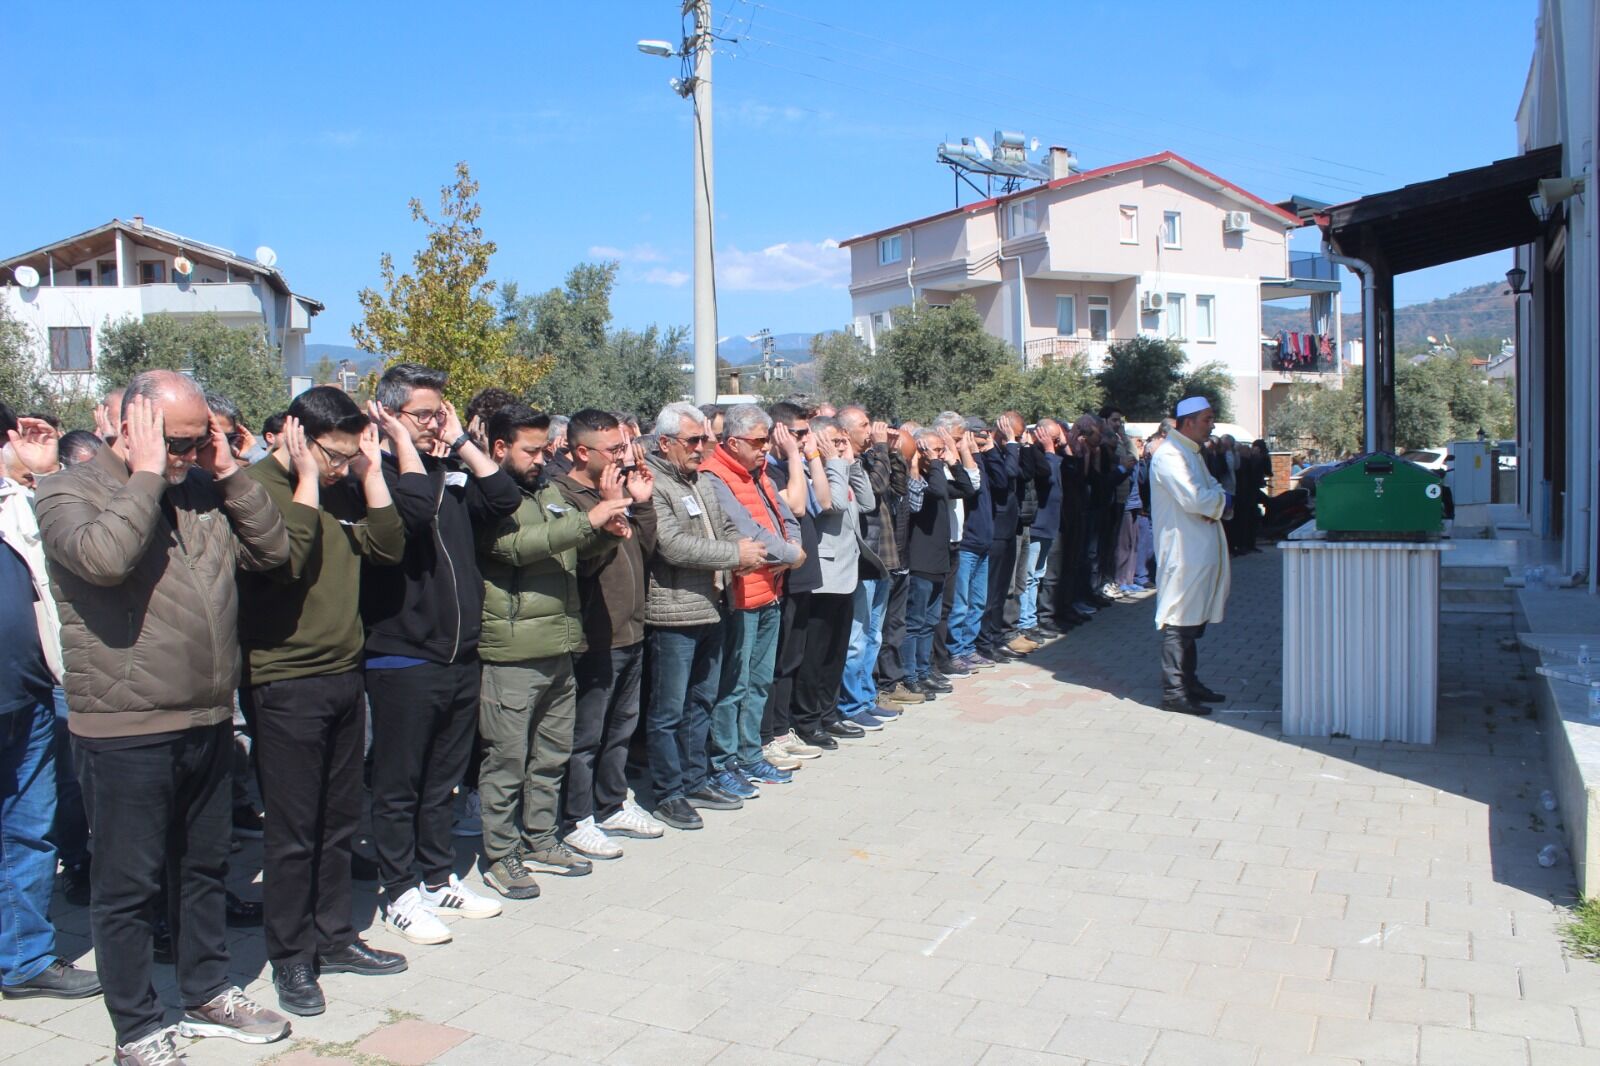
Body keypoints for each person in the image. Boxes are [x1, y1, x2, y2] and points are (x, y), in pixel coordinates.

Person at [36, 371, 291, 1065]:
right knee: (128, 887)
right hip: (125, 725)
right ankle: (138, 1026)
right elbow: (105, 559)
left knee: (204, 867)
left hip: (207, 714)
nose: (190, 452)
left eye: (201, 436)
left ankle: (207, 991)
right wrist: (147, 474)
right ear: (132, 425)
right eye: (179, 440)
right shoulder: (65, 491)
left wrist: (231, 470)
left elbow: (275, 552)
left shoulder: (204, 488)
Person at [236, 387, 410, 1017]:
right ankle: (291, 958)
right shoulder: (255, 489)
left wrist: (367, 473)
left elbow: (389, 547)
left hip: (343, 674)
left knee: (339, 820)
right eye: (331, 455)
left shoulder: (341, 483)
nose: (338, 468)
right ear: (293, 433)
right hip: (285, 680)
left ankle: (334, 937)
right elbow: (287, 560)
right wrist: (310, 477)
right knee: (291, 833)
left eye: (345, 456)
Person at [360, 363, 521, 946]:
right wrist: (403, 447)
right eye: (422, 414)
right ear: (387, 415)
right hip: (402, 654)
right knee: (399, 783)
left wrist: (460, 443)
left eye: (438, 412)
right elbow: (412, 515)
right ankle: (398, 890)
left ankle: (435, 876)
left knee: (443, 780)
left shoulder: (448, 469)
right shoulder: (374, 473)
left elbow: (503, 497)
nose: (433, 423)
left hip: (459, 654)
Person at [474, 404, 633, 898]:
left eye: (547, 448)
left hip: (561, 643)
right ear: (500, 448)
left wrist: (604, 537)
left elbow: (567, 549)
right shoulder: (487, 499)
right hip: (513, 652)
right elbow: (514, 549)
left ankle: (540, 837)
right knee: (506, 761)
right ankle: (501, 856)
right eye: (532, 449)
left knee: (551, 755)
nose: (544, 458)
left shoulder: (546, 493)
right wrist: (593, 519)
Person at [0, 403, 99, 1003]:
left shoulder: (24, 500)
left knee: (29, 832)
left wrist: (46, 471)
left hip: (29, 693)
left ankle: (23, 958)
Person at [643, 403, 764, 830]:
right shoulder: (654, 483)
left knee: (701, 701)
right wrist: (734, 554)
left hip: (712, 606)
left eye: (704, 439)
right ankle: (667, 792)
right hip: (673, 612)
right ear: (665, 443)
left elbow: (725, 528)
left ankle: (696, 779)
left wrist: (743, 554)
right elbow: (671, 545)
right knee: (668, 711)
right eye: (693, 441)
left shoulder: (700, 480)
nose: (701, 448)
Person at [555, 410, 666, 857]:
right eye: (615, 450)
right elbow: (582, 564)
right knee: (586, 736)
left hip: (631, 629)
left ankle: (612, 803)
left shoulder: (616, 490)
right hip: (593, 636)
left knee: (621, 728)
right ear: (583, 452)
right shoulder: (564, 495)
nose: (624, 456)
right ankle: (576, 818)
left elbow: (644, 548)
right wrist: (605, 513)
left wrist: (640, 503)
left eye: (624, 447)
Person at [699, 404, 805, 788]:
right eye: (758, 441)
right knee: (734, 685)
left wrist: (793, 548)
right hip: (741, 594)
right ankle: (725, 761)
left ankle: (749, 754)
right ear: (733, 441)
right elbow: (742, 530)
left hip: (770, 590)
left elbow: (787, 517)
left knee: (759, 681)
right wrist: (792, 555)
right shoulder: (714, 476)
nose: (765, 448)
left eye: (766, 440)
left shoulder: (759, 473)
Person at [791, 415, 877, 740]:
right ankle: (807, 719)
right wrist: (833, 463)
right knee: (816, 653)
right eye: (833, 442)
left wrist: (851, 464)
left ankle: (829, 713)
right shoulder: (811, 470)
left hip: (847, 570)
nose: (840, 447)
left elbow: (867, 503)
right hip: (824, 574)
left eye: (841, 441)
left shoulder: (840, 466)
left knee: (836, 652)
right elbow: (835, 505)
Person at [1150, 396, 1231, 716]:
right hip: (1183, 552)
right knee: (1179, 621)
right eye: (1207, 419)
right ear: (1187, 421)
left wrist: (1217, 503)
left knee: (1193, 620)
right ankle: (1174, 692)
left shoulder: (1191, 452)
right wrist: (1218, 504)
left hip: (1200, 548)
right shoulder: (1169, 455)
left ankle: (1190, 681)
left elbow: (1215, 489)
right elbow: (1197, 499)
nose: (1212, 425)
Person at [836, 407, 903, 725]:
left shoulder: (873, 457)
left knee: (873, 635)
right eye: (864, 425)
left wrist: (891, 450)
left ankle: (866, 696)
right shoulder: (849, 463)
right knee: (857, 637)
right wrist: (879, 449)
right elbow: (874, 491)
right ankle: (851, 705)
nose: (871, 429)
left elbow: (898, 488)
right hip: (864, 560)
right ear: (845, 432)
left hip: (884, 557)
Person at [901, 428, 974, 698]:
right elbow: (937, 489)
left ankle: (924, 669)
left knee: (931, 620)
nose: (940, 456)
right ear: (921, 452)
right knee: (916, 621)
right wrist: (932, 463)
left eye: (941, 450)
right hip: (921, 562)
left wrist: (953, 462)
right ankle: (911, 675)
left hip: (939, 560)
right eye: (936, 450)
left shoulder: (937, 477)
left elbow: (967, 488)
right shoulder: (917, 480)